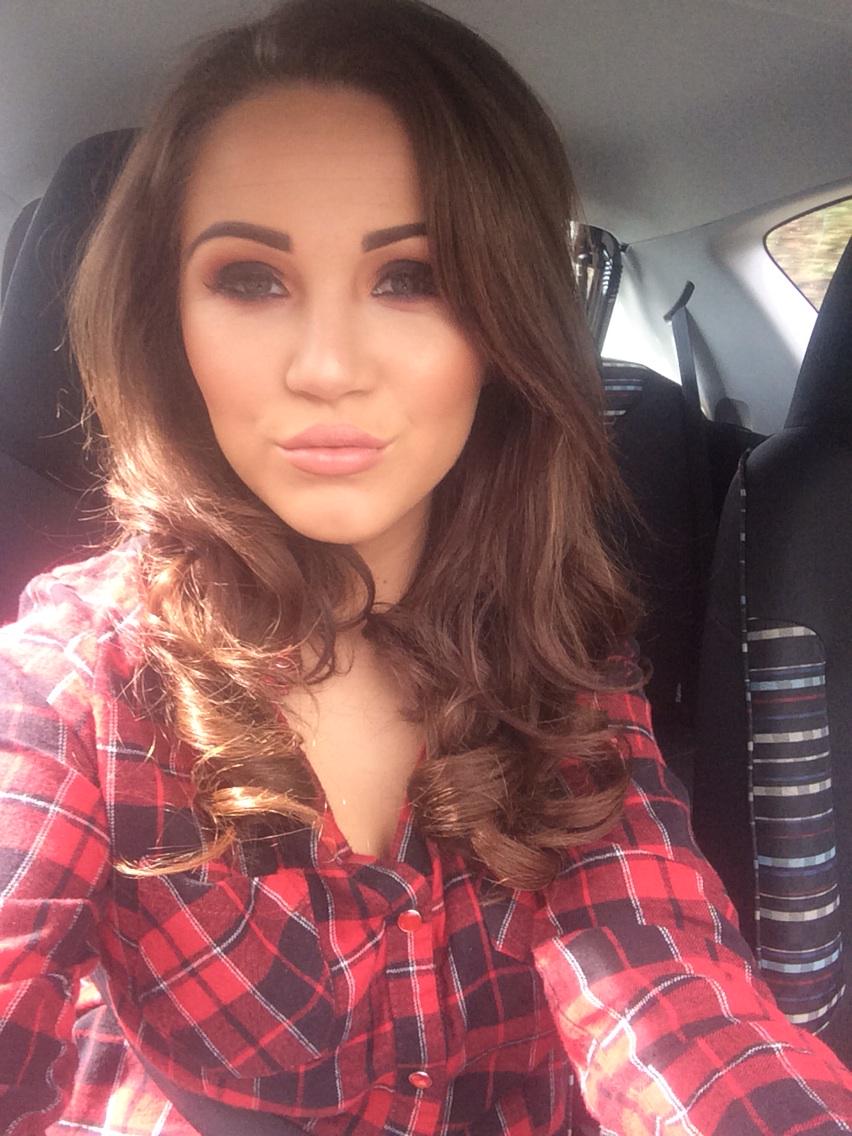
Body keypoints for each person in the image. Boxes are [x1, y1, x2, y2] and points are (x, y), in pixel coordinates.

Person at [0, 0, 849, 1132]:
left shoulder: (562, 661)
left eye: (411, 276)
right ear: (169, 321)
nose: (327, 366)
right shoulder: (72, 683)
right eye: (250, 278)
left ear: (505, 326)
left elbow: (665, 990)